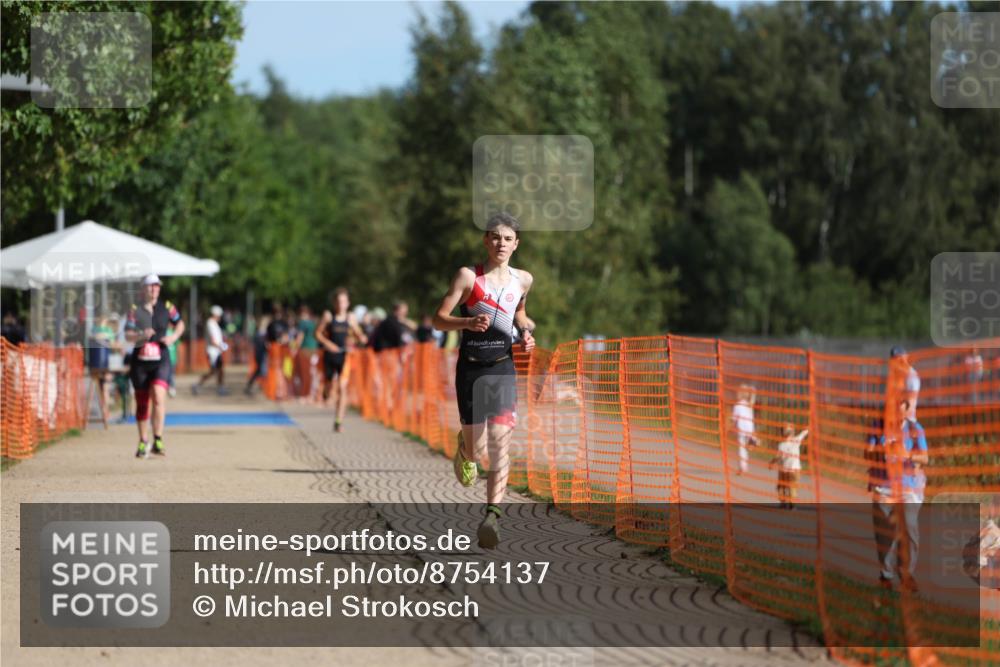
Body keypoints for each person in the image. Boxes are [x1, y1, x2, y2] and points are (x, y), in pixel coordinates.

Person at [432, 212, 535, 549]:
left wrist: (527, 332)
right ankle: (465, 447)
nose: (500, 243)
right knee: (478, 450)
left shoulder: (523, 280)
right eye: (494, 237)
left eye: (507, 238)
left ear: (516, 244)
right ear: (485, 241)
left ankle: (492, 515)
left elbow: (519, 314)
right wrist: (465, 324)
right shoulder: (468, 277)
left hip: (503, 367)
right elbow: (438, 319)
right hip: (471, 369)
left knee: (500, 440)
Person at [870, 399, 929, 593]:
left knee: (909, 529)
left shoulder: (914, 429)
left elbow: (925, 457)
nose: (897, 418)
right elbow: (867, 453)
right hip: (883, 489)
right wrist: (883, 451)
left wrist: (907, 454)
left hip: (908, 490)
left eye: (901, 414)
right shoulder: (878, 426)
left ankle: (906, 574)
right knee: (886, 533)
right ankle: (885, 575)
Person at [124, 274, 184, 458]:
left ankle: (158, 438)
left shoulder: (167, 307)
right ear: (143, 289)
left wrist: (173, 337)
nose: (154, 289)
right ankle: (143, 441)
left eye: (156, 286)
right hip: (140, 361)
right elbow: (128, 334)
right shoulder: (134, 310)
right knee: (142, 403)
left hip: (161, 358)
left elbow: (180, 323)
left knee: (158, 396)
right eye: (150, 286)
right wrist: (141, 335)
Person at [316, 288, 367, 432]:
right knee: (329, 386)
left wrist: (361, 338)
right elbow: (317, 334)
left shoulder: (350, 318)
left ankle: (338, 421)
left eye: (344, 301)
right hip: (329, 356)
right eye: (338, 301)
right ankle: (326, 391)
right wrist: (328, 344)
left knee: (343, 388)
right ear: (334, 303)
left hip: (344, 356)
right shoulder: (328, 316)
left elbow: (358, 333)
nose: (341, 304)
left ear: (348, 303)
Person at [769, 424, 808, 509]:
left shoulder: (781, 445)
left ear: (782, 434)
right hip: (794, 470)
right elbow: (803, 433)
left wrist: (772, 463)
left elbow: (778, 457)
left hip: (784, 469)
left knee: (782, 486)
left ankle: (783, 502)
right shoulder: (796, 440)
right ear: (792, 433)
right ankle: (791, 504)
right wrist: (807, 428)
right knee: (792, 487)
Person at [193, 305, 228, 395]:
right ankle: (198, 385)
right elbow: (213, 340)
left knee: (219, 370)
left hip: (216, 351)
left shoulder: (214, 324)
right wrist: (221, 346)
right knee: (215, 371)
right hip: (213, 352)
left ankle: (219, 387)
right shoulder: (211, 323)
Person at [294, 305, 320, 403]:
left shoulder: (302, 323)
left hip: (305, 350)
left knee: (304, 374)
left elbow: (299, 338)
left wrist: (295, 348)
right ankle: (311, 395)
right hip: (314, 349)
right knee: (312, 373)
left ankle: (305, 395)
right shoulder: (314, 323)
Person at [732, 384, 757, 475]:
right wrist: (753, 391)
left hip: (741, 430)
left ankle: (743, 468)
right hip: (750, 430)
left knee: (742, 449)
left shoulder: (737, 406)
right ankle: (754, 441)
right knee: (744, 449)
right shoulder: (749, 404)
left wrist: (733, 427)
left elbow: (734, 419)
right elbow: (753, 397)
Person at [890, 346, 920, 420]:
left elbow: (910, 400)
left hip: (906, 418)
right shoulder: (898, 374)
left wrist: (903, 416)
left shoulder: (911, 375)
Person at [244, 315, 271, 396]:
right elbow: (260, 344)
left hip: (261, 354)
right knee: (262, 371)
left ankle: (252, 385)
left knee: (259, 371)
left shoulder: (263, 332)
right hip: (260, 354)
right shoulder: (260, 333)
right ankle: (256, 386)